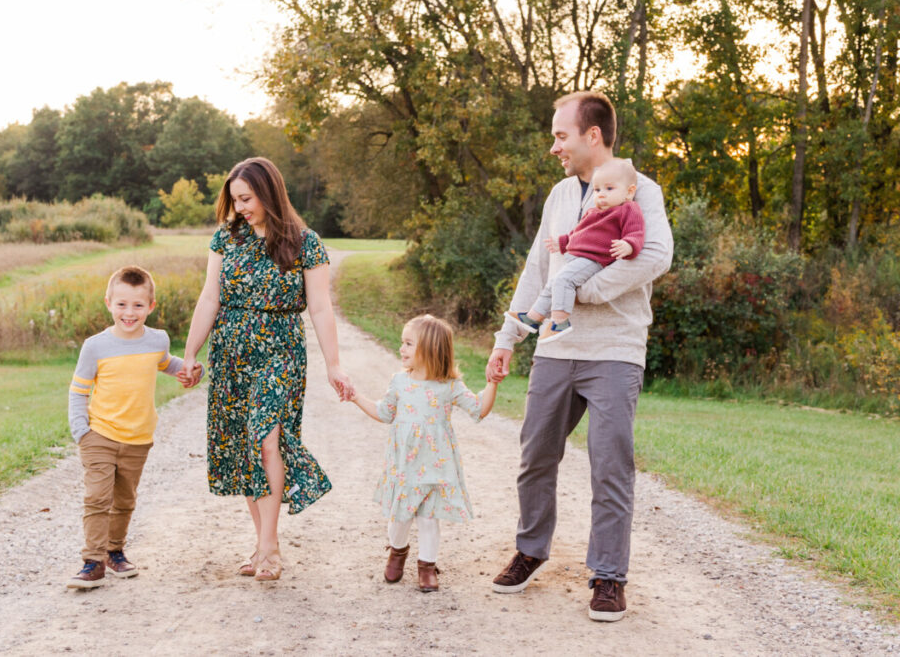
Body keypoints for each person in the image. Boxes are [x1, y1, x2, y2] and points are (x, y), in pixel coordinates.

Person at [488, 92, 673, 622]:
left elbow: (655, 256)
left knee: (610, 465)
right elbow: (536, 270)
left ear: (593, 135)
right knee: (535, 456)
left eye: (561, 135)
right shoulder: (558, 196)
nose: (554, 147)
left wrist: (583, 291)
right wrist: (508, 338)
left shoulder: (642, 191)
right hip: (555, 346)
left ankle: (608, 576)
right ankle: (531, 550)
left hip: (615, 350)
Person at [178, 156, 353, 583]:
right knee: (245, 448)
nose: (240, 208)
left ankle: (269, 547)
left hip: (280, 351)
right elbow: (209, 299)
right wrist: (190, 354)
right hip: (231, 353)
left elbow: (320, 306)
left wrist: (334, 365)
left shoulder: (305, 242)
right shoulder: (226, 238)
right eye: (235, 200)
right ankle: (262, 544)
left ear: (269, 193)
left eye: (247, 198)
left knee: (267, 440)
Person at [349, 314, 497, 592]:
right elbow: (384, 412)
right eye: (402, 343)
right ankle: (397, 551)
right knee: (400, 518)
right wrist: (356, 396)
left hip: (435, 467)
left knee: (429, 518)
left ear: (429, 350)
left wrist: (493, 383)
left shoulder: (449, 386)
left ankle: (427, 566)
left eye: (408, 343)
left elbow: (479, 409)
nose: (401, 349)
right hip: (404, 467)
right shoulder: (400, 382)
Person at [66, 265, 187, 589]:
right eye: (121, 304)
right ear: (108, 303)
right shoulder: (95, 346)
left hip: (138, 438)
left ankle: (114, 552)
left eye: (137, 305)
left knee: (124, 500)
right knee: (97, 497)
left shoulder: (157, 339)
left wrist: (188, 369)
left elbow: (165, 363)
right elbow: (78, 390)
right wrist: (81, 431)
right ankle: (92, 562)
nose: (129, 313)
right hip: (99, 435)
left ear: (151, 306)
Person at [504, 158, 645, 343]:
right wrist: (562, 242)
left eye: (609, 189)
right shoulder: (593, 212)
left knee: (563, 280)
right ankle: (532, 317)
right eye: (597, 190)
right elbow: (578, 234)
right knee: (553, 282)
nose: (601, 195)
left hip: (595, 260)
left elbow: (636, 233)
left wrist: (629, 245)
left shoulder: (628, 209)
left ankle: (559, 322)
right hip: (577, 258)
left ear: (629, 192)